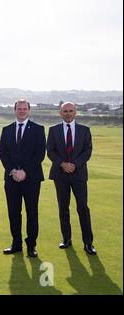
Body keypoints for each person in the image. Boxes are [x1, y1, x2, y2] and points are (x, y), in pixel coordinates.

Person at [47, 102, 96, 255]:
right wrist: (62, 164)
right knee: (63, 208)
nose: (68, 113)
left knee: (83, 208)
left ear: (76, 112)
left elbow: (87, 151)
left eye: (70, 111)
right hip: (60, 175)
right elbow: (50, 151)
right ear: (60, 113)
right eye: (65, 111)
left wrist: (74, 164)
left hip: (79, 174)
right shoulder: (53, 130)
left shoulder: (85, 130)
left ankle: (88, 243)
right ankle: (66, 239)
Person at [0, 99, 46, 258]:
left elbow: (39, 155)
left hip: (32, 178)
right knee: (13, 212)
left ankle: (31, 245)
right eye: (19, 108)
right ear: (15, 110)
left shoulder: (38, 129)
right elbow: (3, 154)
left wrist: (25, 171)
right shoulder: (7, 130)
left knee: (32, 212)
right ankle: (16, 243)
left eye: (25, 109)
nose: (22, 111)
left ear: (29, 110)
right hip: (11, 179)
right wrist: (13, 170)